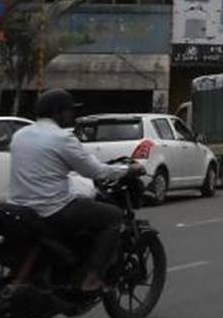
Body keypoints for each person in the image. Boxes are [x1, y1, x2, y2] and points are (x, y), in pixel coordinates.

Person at [8, 89, 139, 293]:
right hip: (52, 211)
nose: (72, 116)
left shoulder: (19, 135)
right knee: (114, 216)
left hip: (19, 208)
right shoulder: (62, 138)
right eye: (69, 111)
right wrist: (128, 169)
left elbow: (44, 168)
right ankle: (93, 277)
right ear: (57, 112)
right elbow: (96, 171)